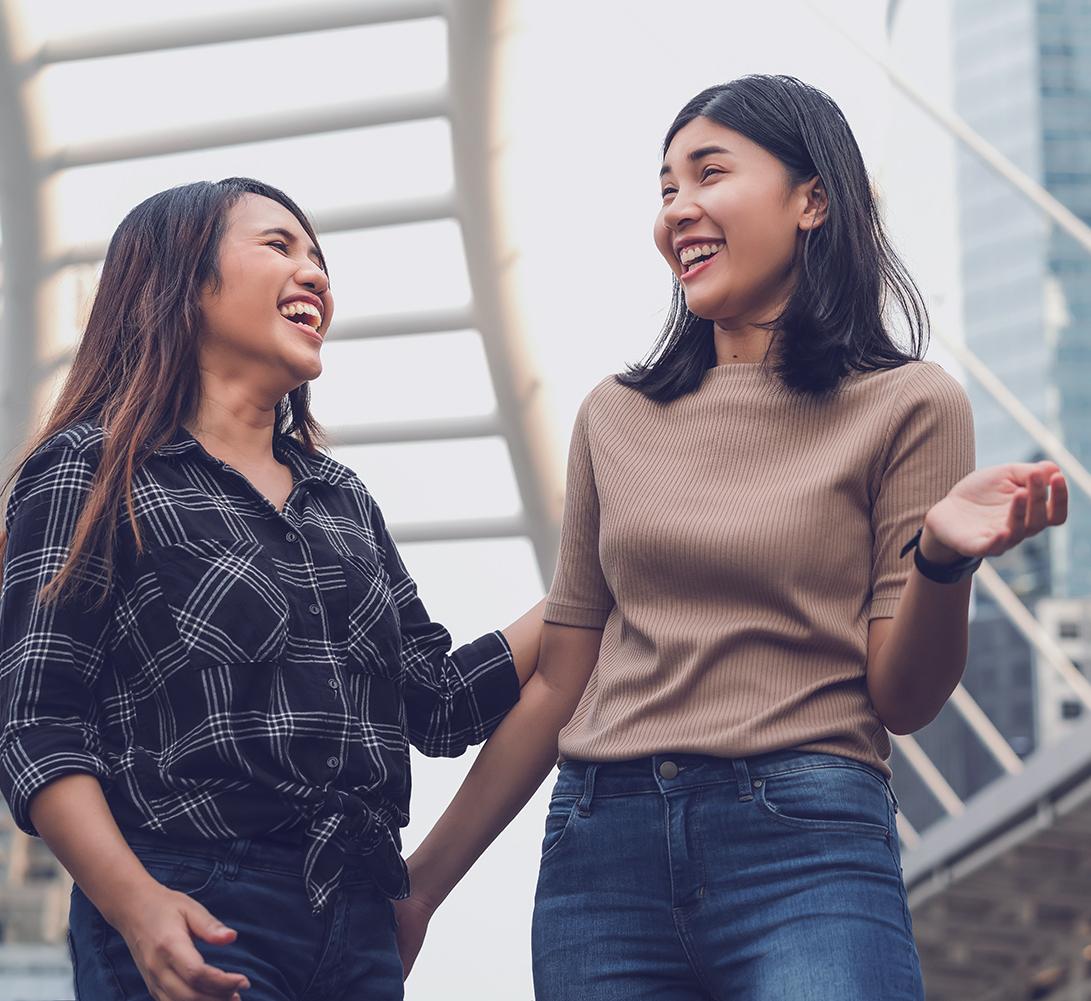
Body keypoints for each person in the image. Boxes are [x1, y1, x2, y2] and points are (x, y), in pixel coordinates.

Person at [390, 75, 1068, 999]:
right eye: (665, 189)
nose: (679, 210)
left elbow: (903, 699)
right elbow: (562, 678)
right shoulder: (614, 416)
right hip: (601, 853)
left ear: (811, 200)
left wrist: (940, 563)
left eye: (709, 174)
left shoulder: (909, 405)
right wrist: (423, 885)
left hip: (806, 845)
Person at [0, 177, 543, 1001]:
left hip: (359, 921)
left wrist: (594, 566)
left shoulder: (344, 499)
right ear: (181, 280)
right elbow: (38, 724)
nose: (316, 274)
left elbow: (437, 703)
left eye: (319, 256)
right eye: (279, 246)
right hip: (193, 905)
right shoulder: (91, 468)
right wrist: (135, 905)